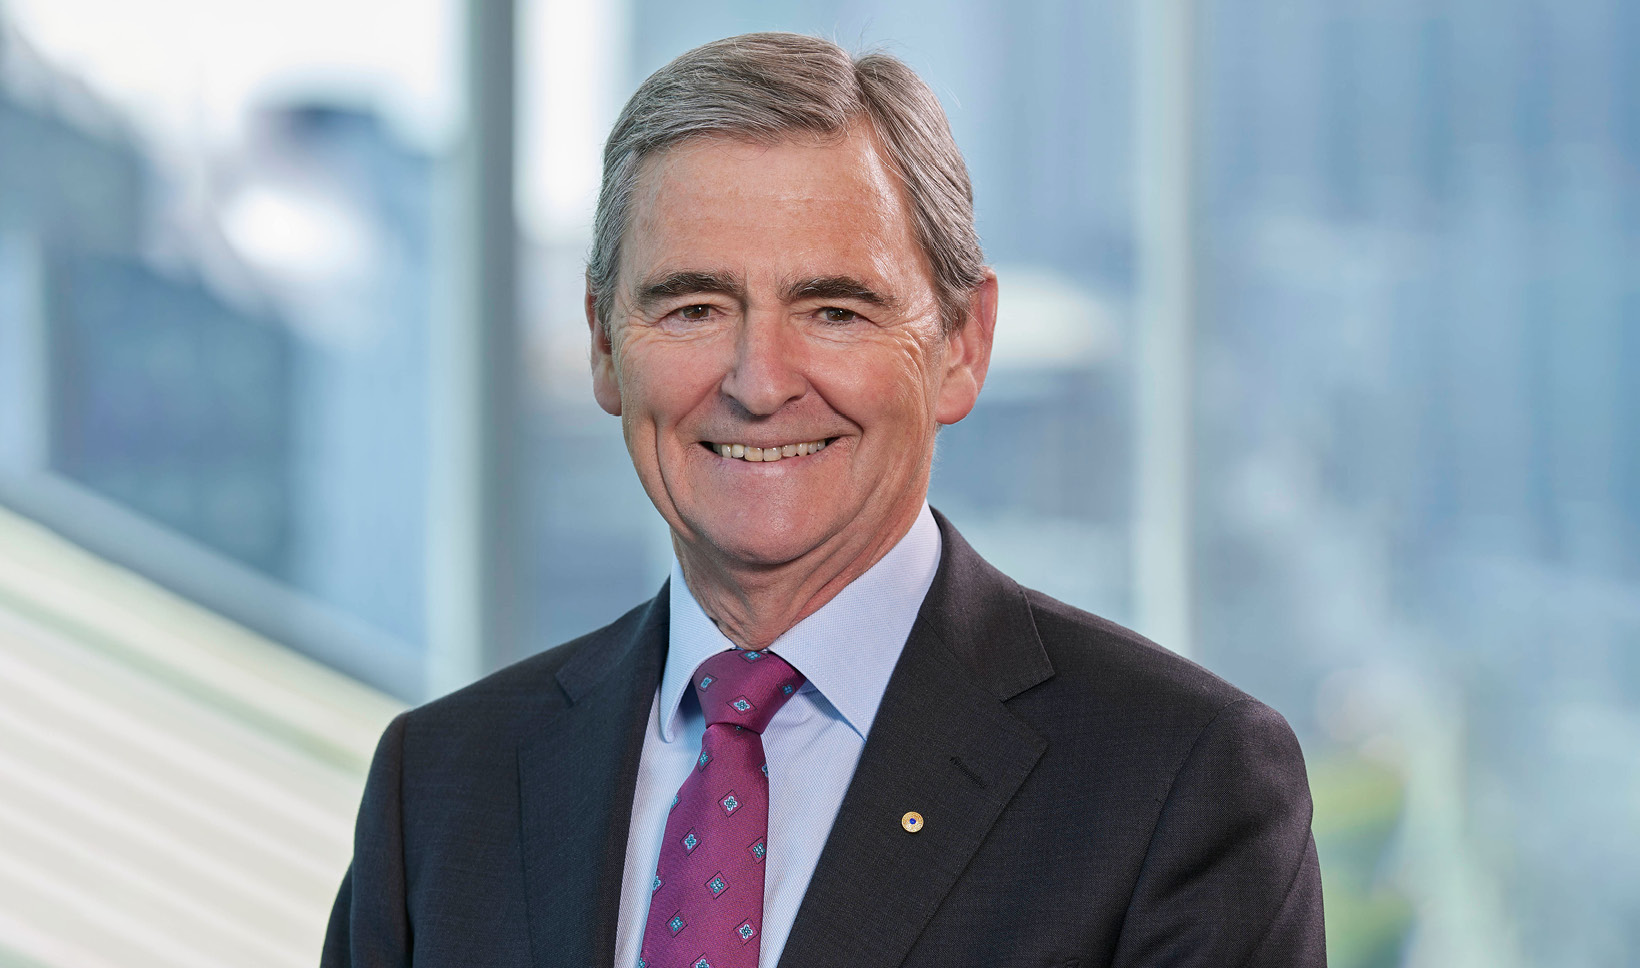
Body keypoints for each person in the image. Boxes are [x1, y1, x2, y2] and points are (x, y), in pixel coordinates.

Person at [322, 32, 1325, 968]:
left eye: (834, 309)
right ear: (602, 343)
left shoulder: (1176, 782)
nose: (760, 380)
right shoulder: (446, 783)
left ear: (962, 345)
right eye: (695, 306)